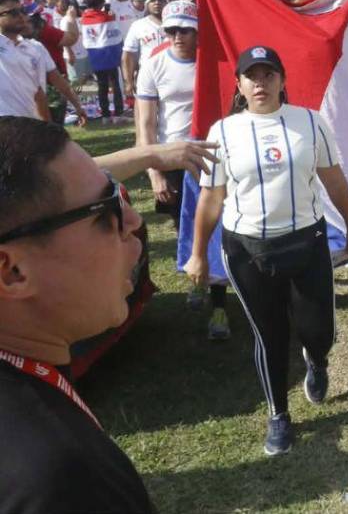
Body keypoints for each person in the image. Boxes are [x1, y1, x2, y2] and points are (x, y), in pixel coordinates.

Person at [0, 116, 218, 514]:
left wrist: (149, 153)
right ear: (12, 272)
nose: (134, 221)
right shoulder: (60, 481)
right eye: (105, 212)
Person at [186, 45, 348, 456]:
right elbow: (212, 197)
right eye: (252, 76)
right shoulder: (223, 132)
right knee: (269, 334)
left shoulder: (310, 122)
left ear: (282, 80)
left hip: (307, 242)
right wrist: (198, 253)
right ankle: (279, 416)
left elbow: (334, 180)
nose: (261, 83)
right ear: (239, 85)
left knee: (319, 328)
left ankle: (316, 360)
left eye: (269, 74)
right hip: (248, 249)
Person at [135, 0, 231, 339]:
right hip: (172, 161)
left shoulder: (216, 63)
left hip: (212, 158)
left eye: (185, 30)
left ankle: (219, 305)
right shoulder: (154, 65)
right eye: (171, 30)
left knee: (215, 226)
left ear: (197, 31)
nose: (177, 36)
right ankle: (199, 279)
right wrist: (154, 172)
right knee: (185, 226)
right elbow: (145, 123)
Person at [122, 0, 169, 92]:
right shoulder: (138, 25)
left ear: (167, 3)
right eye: (153, 0)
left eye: (161, 0)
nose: (157, 3)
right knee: (143, 108)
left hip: (172, 75)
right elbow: (128, 56)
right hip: (147, 76)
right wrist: (128, 82)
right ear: (147, 4)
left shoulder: (175, 24)